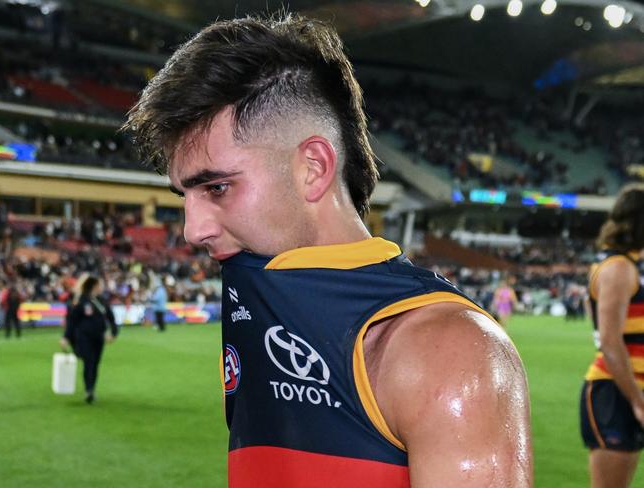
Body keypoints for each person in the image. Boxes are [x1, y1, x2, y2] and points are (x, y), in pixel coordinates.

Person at [125, 14, 532, 487]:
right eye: (185, 196)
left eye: (216, 188)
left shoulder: (450, 352)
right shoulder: (257, 309)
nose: (192, 230)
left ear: (313, 168)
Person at [580, 184, 644, 488]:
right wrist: (638, 401)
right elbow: (609, 339)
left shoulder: (623, 264)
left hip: (627, 390)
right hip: (617, 393)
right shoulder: (619, 268)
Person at [60, 276, 118, 404]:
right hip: (84, 338)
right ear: (94, 286)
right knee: (89, 362)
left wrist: (113, 333)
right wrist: (66, 337)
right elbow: (72, 321)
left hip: (99, 337)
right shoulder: (81, 301)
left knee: (95, 364)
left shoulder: (102, 301)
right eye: (99, 284)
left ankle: (92, 388)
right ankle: (88, 390)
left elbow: (111, 318)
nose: (101, 287)